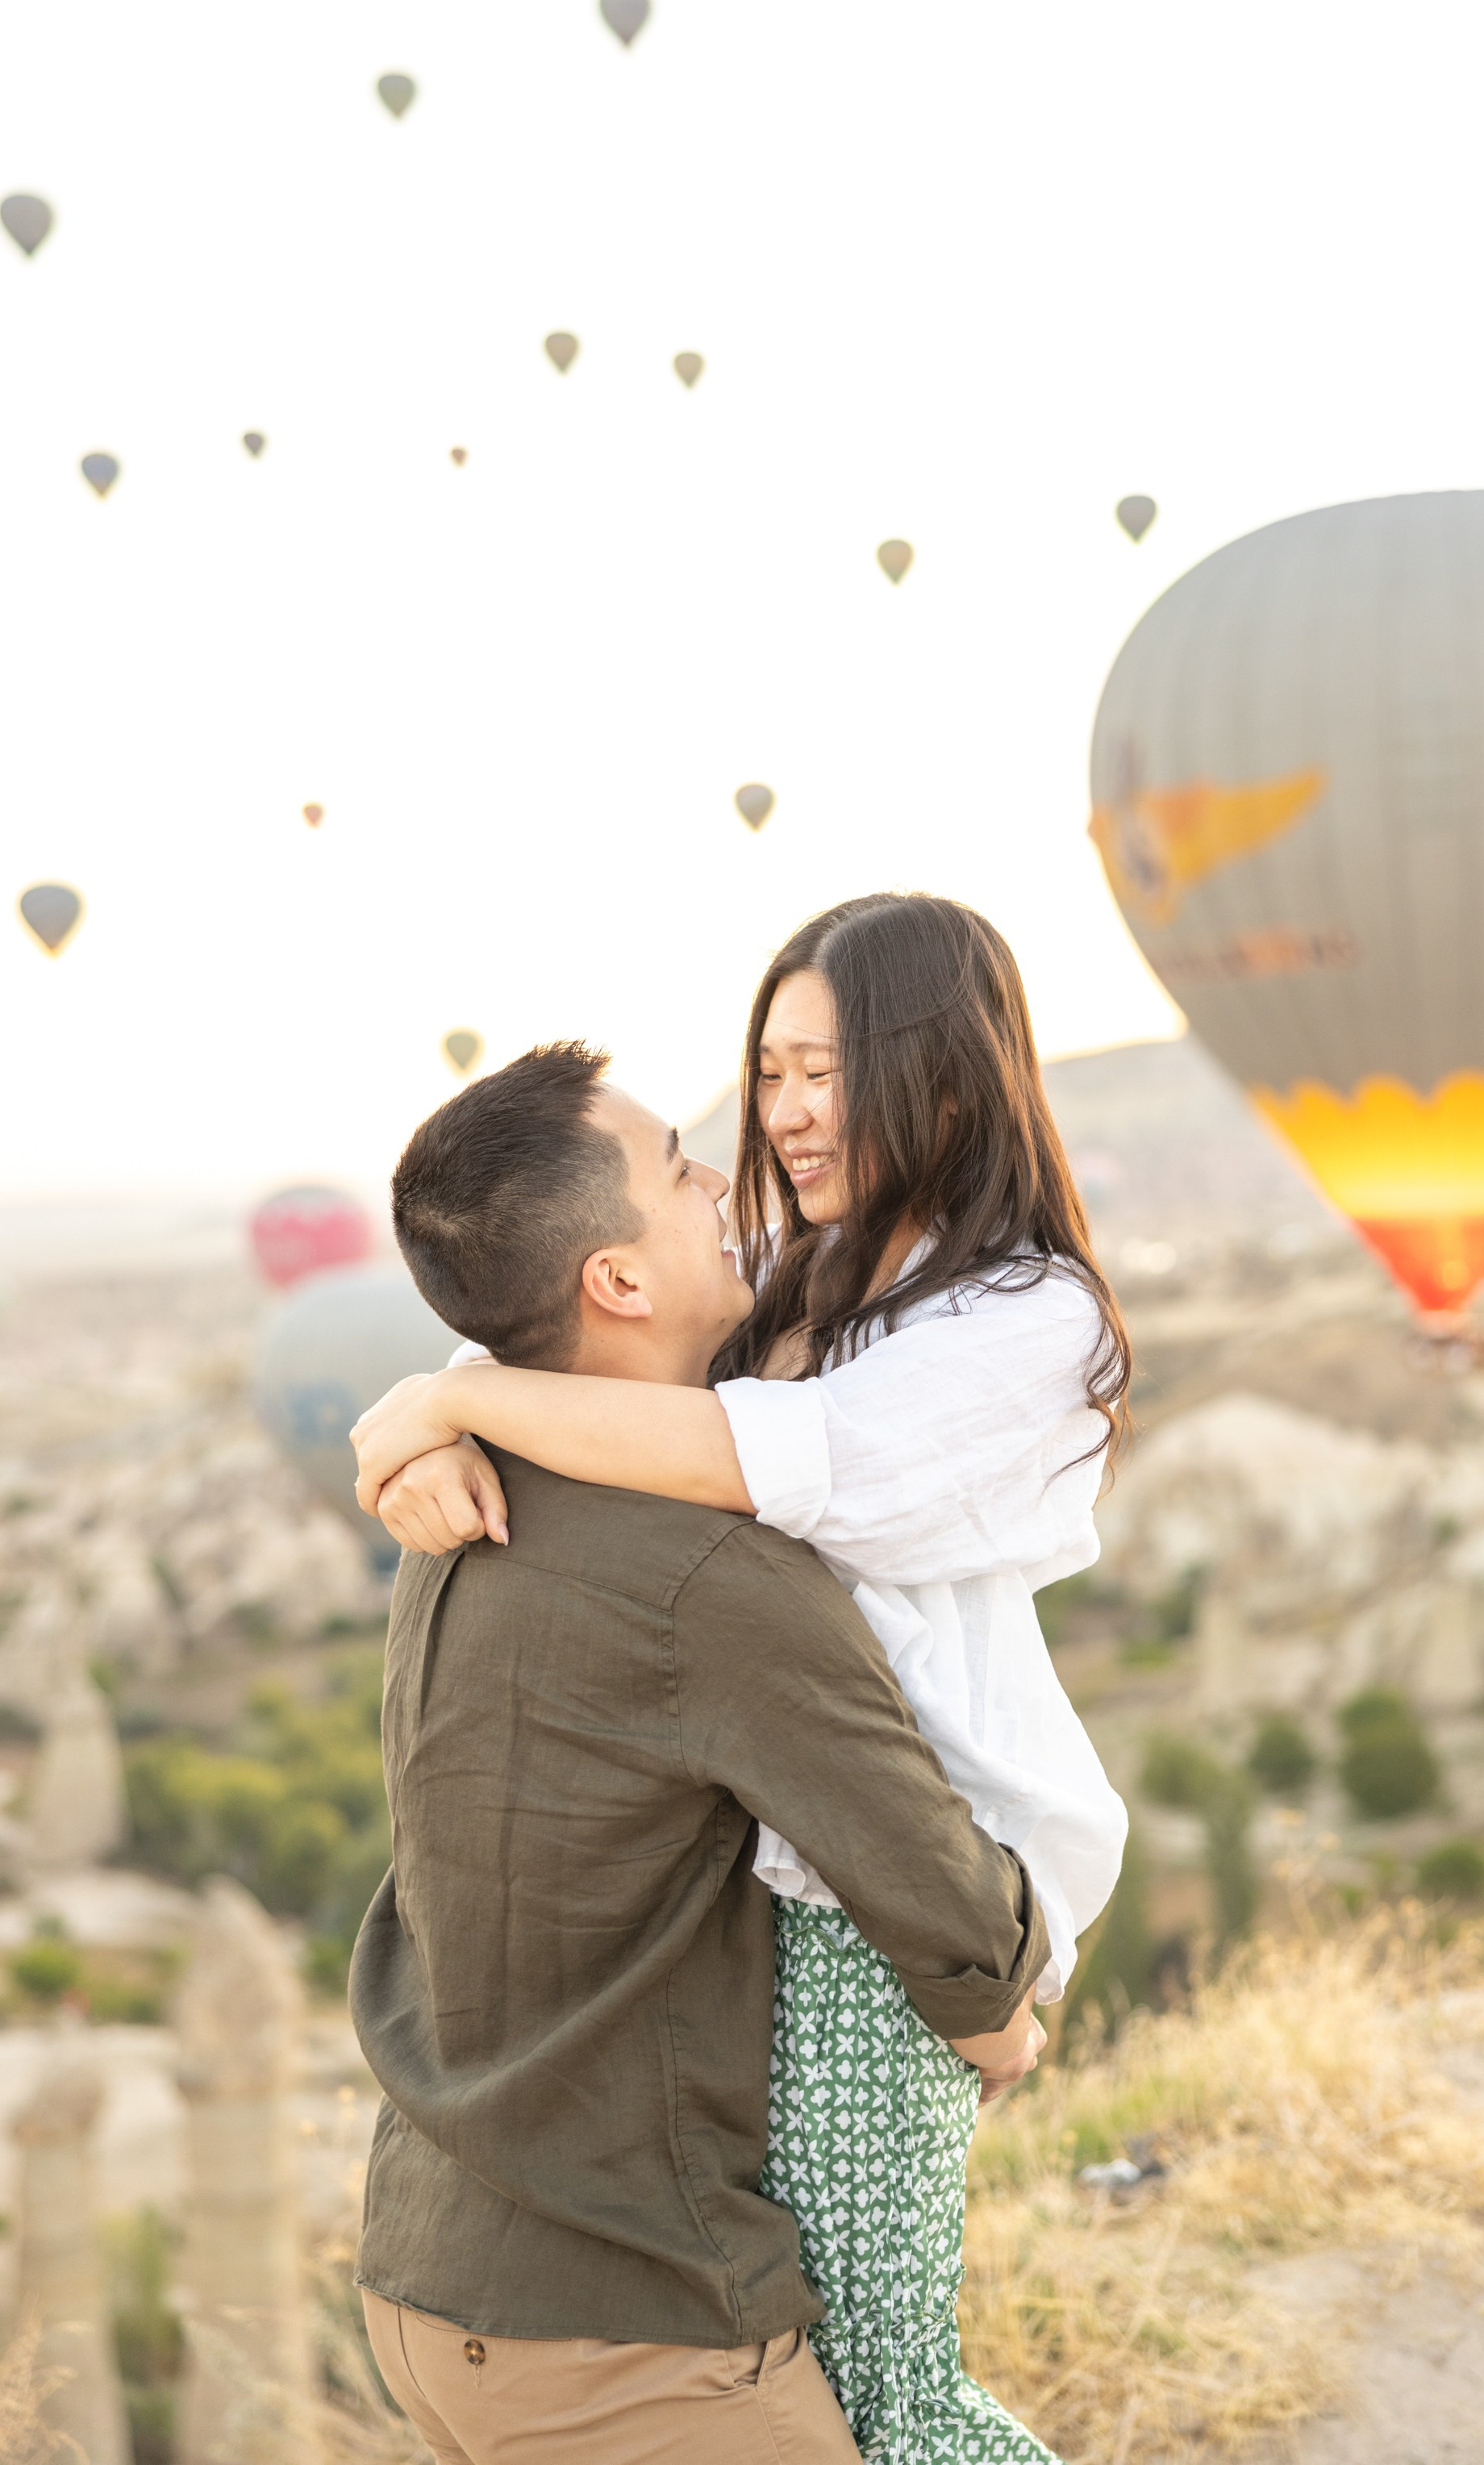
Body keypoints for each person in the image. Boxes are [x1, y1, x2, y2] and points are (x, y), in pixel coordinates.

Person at [354, 892, 1131, 2464]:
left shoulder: (1018, 1314)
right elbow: (589, 1303)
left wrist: (442, 1403)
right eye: (764, 1069)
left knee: (884, 2383)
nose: (769, 1120)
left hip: (905, 1920)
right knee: (888, 2402)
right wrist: (442, 1407)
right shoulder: (789, 1298)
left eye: (821, 1070)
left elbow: (762, 1453)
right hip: (819, 1942)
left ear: (952, 1078)